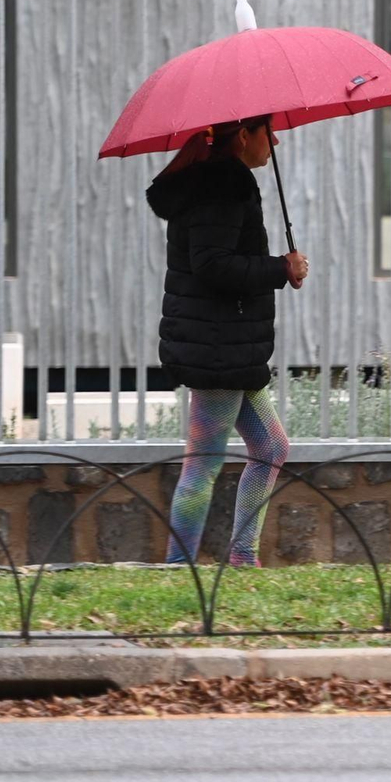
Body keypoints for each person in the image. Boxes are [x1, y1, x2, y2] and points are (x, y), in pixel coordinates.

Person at [145, 115, 311, 567]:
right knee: (202, 463)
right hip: (217, 346)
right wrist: (280, 268)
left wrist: (277, 266)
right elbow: (213, 265)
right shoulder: (223, 185)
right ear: (244, 136)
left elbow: (220, 257)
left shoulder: (216, 181)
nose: (274, 141)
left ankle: (242, 558)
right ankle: (179, 571)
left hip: (230, 344)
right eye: (268, 132)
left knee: (271, 447)